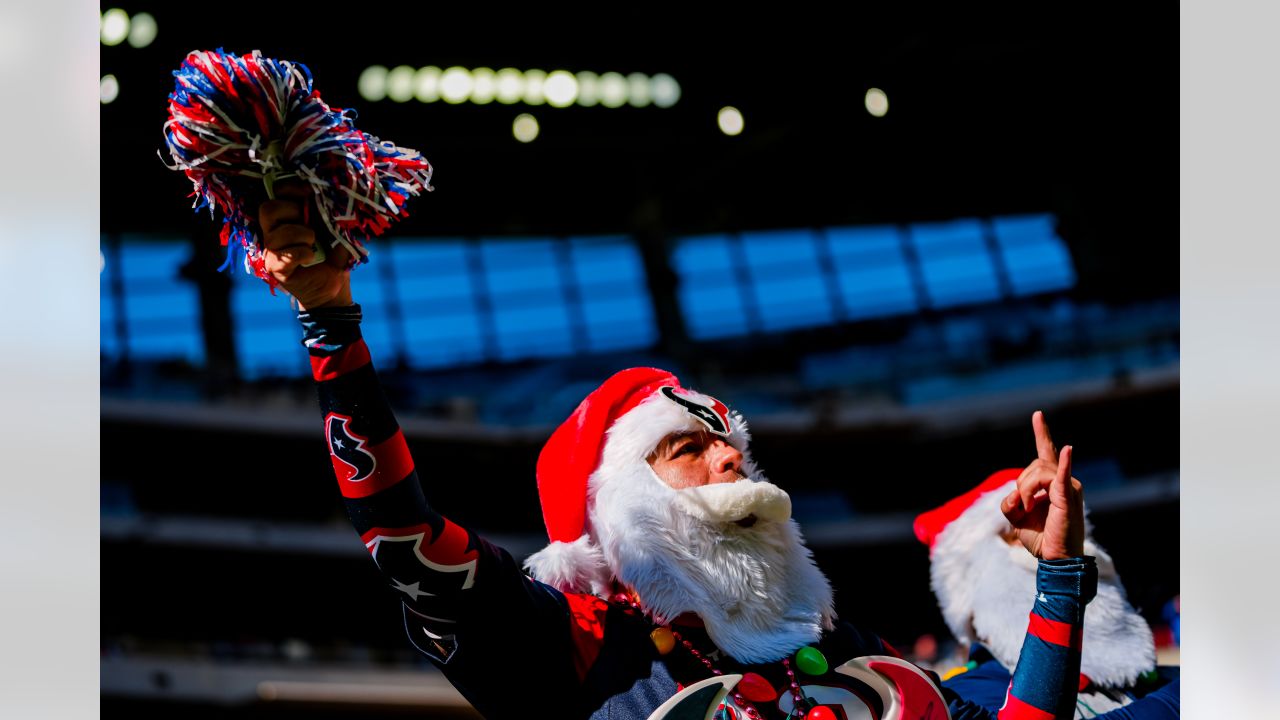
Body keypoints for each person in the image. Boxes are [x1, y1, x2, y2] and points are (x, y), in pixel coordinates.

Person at [256, 181, 1101, 719]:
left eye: (729, 445)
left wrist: (1059, 576)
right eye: (686, 449)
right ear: (623, 500)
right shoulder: (572, 639)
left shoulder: (834, 642)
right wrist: (329, 321)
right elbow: (405, 541)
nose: (730, 460)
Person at [915, 471, 1180, 718]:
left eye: (1071, 531)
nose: (1069, 547)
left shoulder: (1171, 678)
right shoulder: (965, 693)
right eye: (1022, 533)